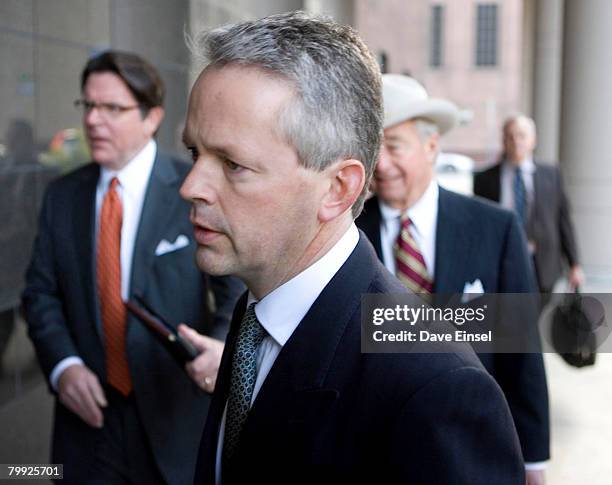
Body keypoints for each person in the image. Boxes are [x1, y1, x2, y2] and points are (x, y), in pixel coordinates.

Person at [179, 11, 524, 484]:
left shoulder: (438, 386)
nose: (192, 185)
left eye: (233, 164)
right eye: (196, 154)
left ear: (338, 188)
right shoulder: (255, 314)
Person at [22, 50, 243, 485]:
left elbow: (235, 288)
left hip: (174, 418)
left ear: (151, 117)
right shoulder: (63, 196)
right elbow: (39, 293)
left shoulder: (192, 190)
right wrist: (63, 365)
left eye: (112, 108)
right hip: (87, 423)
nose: (93, 120)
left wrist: (222, 347)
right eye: (88, 105)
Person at [356, 74, 550, 485]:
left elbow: (521, 350)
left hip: (470, 447)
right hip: (371, 452)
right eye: (373, 150)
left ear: (431, 146)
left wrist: (532, 459)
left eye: (393, 146)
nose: (381, 164)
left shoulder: (494, 229)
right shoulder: (346, 233)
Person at [474, 114, 584, 295]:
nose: (516, 141)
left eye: (521, 136)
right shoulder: (485, 179)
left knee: (537, 318)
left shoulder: (552, 174)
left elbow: (563, 220)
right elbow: (479, 225)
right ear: (503, 141)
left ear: (533, 140)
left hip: (542, 264)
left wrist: (575, 264)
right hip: (501, 259)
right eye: (510, 136)